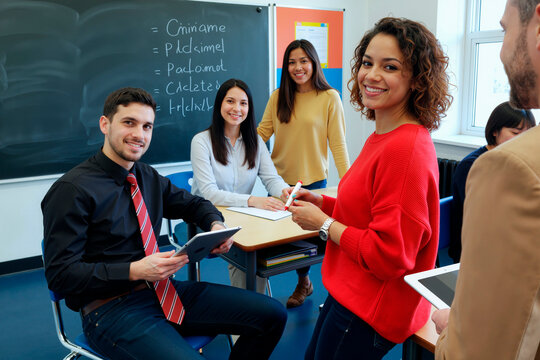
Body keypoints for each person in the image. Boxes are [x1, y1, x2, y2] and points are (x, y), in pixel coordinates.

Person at [42, 87, 287, 360]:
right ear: (104, 124)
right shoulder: (71, 190)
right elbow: (61, 275)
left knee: (272, 314)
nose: (139, 134)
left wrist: (215, 224)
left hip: (163, 291)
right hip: (110, 309)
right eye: (129, 123)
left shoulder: (146, 176)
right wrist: (135, 270)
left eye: (147, 126)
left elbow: (196, 204)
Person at [283, 17, 452, 359]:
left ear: (418, 79)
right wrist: (324, 205)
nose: (371, 75)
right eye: (367, 62)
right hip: (349, 292)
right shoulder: (383, 137)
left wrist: (324, 225)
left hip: (370, 309)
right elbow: (368, 212)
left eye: (389, 66)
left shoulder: (405, 150)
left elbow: (389, 256)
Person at [433, 0, 540, 358]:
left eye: (506, 29)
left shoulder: (513, 169)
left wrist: (450, 334)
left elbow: (480, 349)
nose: (501, 51)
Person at [257, 39, 351, 308]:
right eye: (291, 62)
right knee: (270, 240)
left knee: (305, 242)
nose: (298, 67)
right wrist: (229, 140)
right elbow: (262, 134)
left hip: (312, 183)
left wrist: (349, 185)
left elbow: (338, 145)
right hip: (278, 183)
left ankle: (304, 282)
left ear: (314, 63)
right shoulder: (278, 97)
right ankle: (261, 296)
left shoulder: (329, 98)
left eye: (303, 61)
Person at [191, 78, 289, 294]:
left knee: (259, 247)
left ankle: (254, 308)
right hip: (207, 218)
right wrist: (253, 201)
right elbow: (209, 194)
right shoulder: (201, 141)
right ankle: (247, 316)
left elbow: (271, 178)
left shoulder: (255, 140)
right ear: (219, 105)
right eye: (230, 101)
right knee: (246, 251)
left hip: (241, 215)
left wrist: (285, 191)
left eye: (243, 103)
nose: (237, 108)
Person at [449, 101, 535, 263]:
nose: (523, 139)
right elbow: (487, 218)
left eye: (527, 134)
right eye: (516, 133)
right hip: (477, 250)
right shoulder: (473, 165)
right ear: (495, 131)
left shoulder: (515, 160)